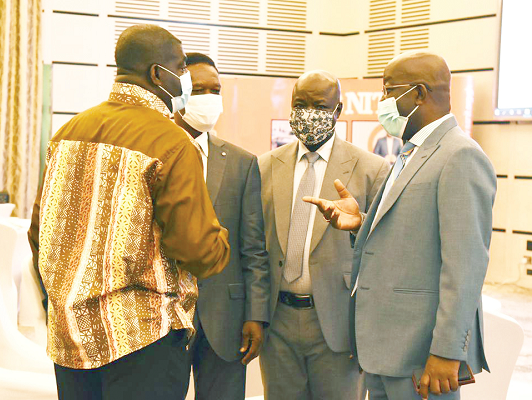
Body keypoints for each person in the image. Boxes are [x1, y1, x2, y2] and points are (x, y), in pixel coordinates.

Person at [28, 25, 231, 400]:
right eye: (182, 67)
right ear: (158, 73)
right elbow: (199, 250)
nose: (185, 77)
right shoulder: (171, 142)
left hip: (70, 337)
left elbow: (38, 232)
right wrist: (221, 240)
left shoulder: (67, 132)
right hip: (144, 339)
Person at [304, 52, 496, 399]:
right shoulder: (411, 153)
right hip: (384, 350)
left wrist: (447, 351)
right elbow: (411, 237)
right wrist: (360, 224)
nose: (381, 102)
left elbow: (465, 265)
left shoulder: (459, 155)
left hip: (422, 356)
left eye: (388, 91)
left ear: (419, 94)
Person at [258, 70, 390, 400]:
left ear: (338, 111)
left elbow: (384, 253)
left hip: (337, 324)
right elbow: (255, 247)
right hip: (279, 324)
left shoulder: (371, 169)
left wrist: (359, 223)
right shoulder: (265, 166)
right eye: (299, 105)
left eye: (319, 105)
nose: (308, 113)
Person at [173, 52, 270, 400]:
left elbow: (254, 247)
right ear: (178, 91)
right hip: (163, 317)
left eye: (216, 90)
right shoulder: (154, 153)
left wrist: (256, 315)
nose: (210, 98)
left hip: (226, 317)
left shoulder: (243, 163)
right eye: (200, 89)